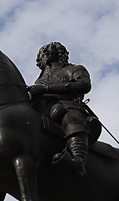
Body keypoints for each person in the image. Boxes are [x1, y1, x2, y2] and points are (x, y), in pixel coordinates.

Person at [28, 41, 98, 176]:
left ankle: (78, 158)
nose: (45, 53)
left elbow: (84, 85)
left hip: (68, 105)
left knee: (68, 116)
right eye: (42, 51)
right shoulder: (39, 80)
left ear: (59, 53)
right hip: (43, 111)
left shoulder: (74, 69)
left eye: (49, 49)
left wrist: (46, 89)